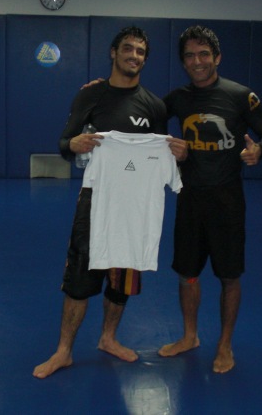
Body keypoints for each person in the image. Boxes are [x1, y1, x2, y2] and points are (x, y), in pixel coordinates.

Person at [33, 26, 187, 379]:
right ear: (114, 52)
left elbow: (162, 154)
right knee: (79, 278)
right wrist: (73, 144)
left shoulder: (155, 106)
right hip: (96, 200)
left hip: (135, 208)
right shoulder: (90, 96)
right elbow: (64, 143)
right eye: (128, 48)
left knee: (123, 277)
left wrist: (180, 155)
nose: (134, 56)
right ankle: (63, 351)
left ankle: (108, 338)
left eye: (141, 51)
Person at [157, 25, 262, 373]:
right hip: (190, 199)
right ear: (183, 61)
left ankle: (225, 345)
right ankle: (189, 336)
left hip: (227, 201)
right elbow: (140, 116)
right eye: (190, 56)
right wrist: (104, 91)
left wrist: (260, 149)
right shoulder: (177, 99)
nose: (197, 61)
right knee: (187, 273)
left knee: (229, 276)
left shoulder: (240, 96)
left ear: (217, 57)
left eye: (204, 54)